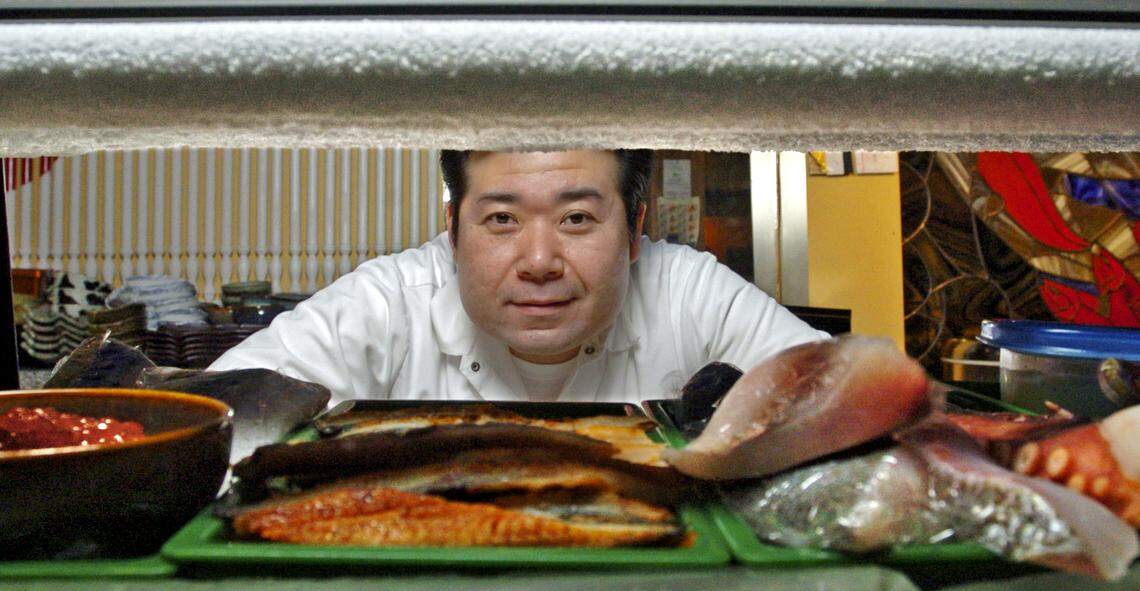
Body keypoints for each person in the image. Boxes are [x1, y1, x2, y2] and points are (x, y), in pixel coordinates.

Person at [209, 150, 826, 404]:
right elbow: (204, 423)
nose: (538, 262)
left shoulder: (688, 291)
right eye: (501, 218)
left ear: (636, 230)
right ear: (453, 231)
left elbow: (851, 402)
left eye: (577, 218)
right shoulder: (390, 302)